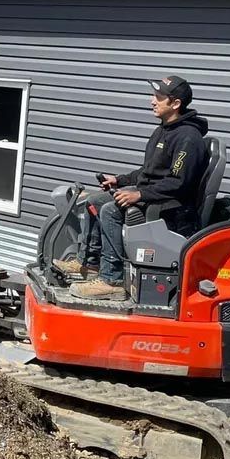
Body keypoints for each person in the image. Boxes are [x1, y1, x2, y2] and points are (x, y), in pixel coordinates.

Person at [58, 75, 210, 301]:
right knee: (94, 201)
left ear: (175, 104)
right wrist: (119, 181)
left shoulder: (188, 138)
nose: (152, 101)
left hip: (174, 208)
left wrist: (139, 194)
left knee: (110, 209)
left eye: (159, 97)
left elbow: (178, 182)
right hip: (158, 196)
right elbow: (149, 172)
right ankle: (89, 263)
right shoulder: (165, 130)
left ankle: (113, 281)